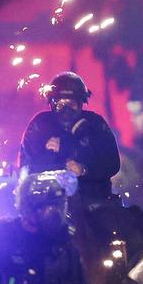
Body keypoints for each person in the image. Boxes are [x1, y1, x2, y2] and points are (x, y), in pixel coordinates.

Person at [19, 72, 120, 203]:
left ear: (81, 103)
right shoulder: (40, 124)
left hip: (93, 202)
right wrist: (51, 156)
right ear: (52, 103)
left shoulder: (95, 123)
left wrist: (84, 169)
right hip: (47, 201)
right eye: (60, 104)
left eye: (72, 104)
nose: (66, 109)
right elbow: (27, 166)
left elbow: (112, 163)